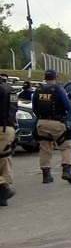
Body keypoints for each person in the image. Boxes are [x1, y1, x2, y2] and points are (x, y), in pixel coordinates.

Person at [32, 70, 71, 184]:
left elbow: (34, 108)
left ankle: (46, 175)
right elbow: (68, 106)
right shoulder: (59, 90)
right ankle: (66, 170)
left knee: (45, 149)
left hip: (41, 122)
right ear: (55, 78)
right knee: (65, 146)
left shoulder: (38, 90)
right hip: (57, 122)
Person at [0, 73, 17, 206]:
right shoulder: (11, 90)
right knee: (5, 158)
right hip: (9, 128)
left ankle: (3, 188)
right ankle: (3, 195)